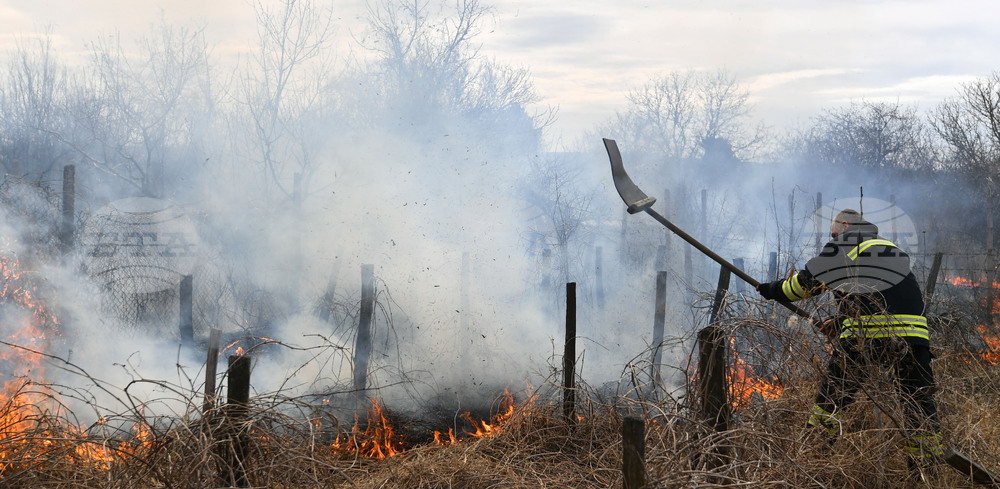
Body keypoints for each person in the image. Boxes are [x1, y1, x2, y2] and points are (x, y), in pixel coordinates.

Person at [755, 209, 943, 468]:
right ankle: (927, 472)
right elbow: (884, 296)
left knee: (830, 401)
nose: (831, 239)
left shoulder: (847, 241)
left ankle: (812, 460)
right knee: (918, 406)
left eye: (833, 233)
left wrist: (771, 290)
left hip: (868, 335)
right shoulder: (888, 248)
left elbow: (806, 284)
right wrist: (843, 321)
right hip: (915, 336)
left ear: (845, 225)